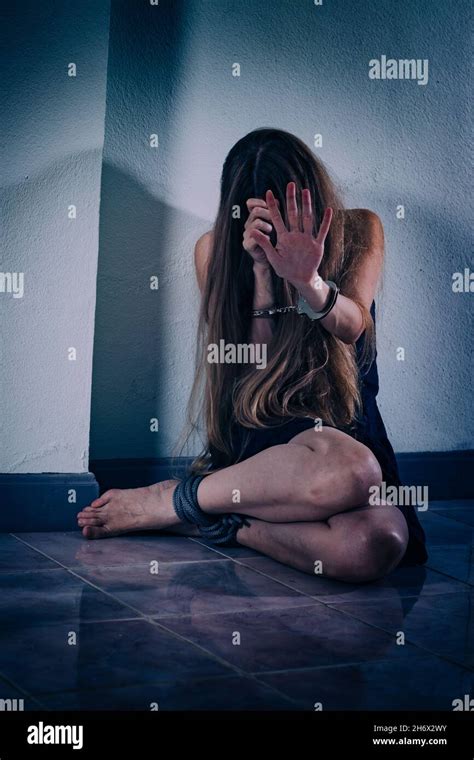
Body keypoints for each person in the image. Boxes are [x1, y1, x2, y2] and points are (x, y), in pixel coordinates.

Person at [77, 128, 427, 582]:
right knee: (353, 472)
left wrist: (308, 281)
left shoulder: (360, 228)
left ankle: (220, 519)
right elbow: (252, 372)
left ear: (311, 195)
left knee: (377, 543)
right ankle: (178, 499)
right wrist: (262, 270)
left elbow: (354, 328)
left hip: (347, 424)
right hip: (266, 436)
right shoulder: (214, 250)